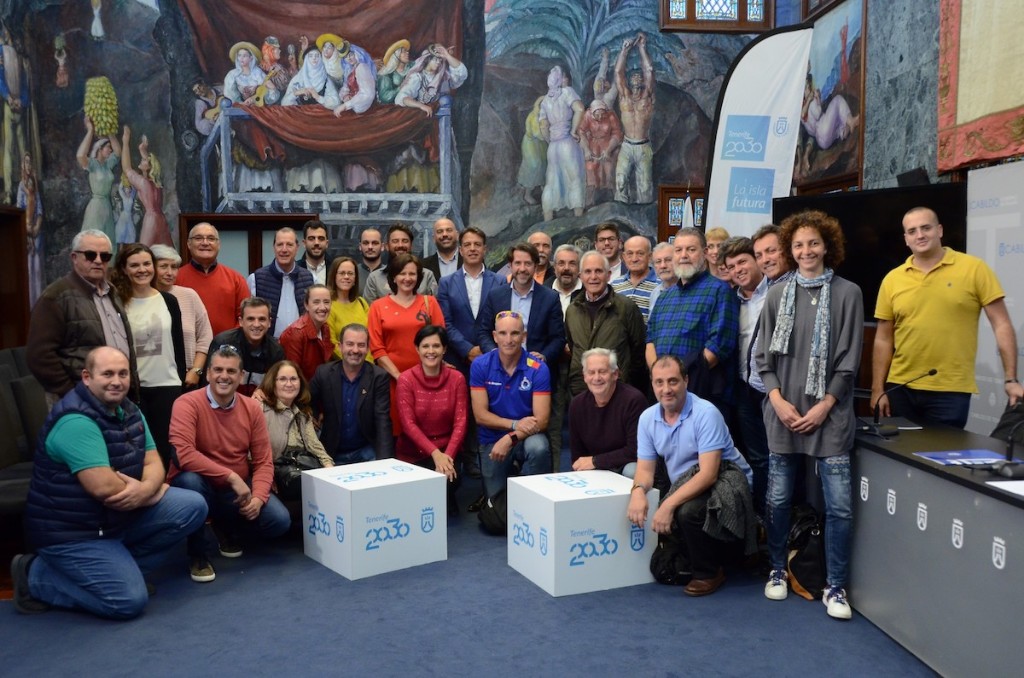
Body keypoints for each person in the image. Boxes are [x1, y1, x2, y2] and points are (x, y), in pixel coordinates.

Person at [13, 347, 207, 619]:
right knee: (128, 602)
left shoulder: (129, 409)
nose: (116, 380)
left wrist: (148, 487)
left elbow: (154, 463)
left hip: (114, 520)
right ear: (87, 377)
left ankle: (123, 572)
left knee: (193, 505)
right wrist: (151, 492)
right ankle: (34, 575)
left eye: (122, 373)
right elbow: (103, 487)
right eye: (107, 374)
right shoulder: (75, 421)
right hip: (74, 533)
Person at [757, 209, 863, 619]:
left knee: (839, 507)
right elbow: (763, 360)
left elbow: (849, 363)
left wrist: (823, 407)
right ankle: (777, 570)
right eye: (798, 244)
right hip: (782, 415)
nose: (806, 251)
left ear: (828, 246)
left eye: (813, 243)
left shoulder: (848, 293)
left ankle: (835, 586)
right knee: (778, 499)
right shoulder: (776, 295)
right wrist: (779, 401)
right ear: (790, 249)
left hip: (830, 418)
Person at [873, 206, 1023, 428]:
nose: (920, 235)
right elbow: (883, 339)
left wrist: (1011, 379)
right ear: (906, 239)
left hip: (951, 391)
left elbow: (1001, 324)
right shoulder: (892, 279)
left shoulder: (974, 269)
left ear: (940, 230)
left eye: (926, 228)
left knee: (940, 461)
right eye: (912, 231)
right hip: (900, 388)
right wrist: (878, 389)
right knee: (901, 460)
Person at [628, 355, 755, 597]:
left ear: (686, 380)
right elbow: (644, 471)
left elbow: (708, 474)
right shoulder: (647, 418)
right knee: (661, 504)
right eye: (659, 382)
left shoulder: (706, 413)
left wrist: (667, 505)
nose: (666, 389)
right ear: (652, 384)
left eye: (673, 381)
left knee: (686, 512)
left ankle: (709, 573)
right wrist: (637, 492)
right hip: (686, 482)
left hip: (727, 482)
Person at [168, 345, 292, 583]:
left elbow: (264, 460)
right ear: (208, 374)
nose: (224, 376)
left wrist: (258, 498)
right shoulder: (186, 403)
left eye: (231, 371)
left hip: (233, 492)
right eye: (218, 370)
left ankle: (225, 525)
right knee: (189, 481)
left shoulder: (251, 408)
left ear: (241, 375)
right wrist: (232, 477)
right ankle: (198, 553)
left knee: (279, 521)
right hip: (199, 483)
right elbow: (183, 455)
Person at [27, 229, 137, 407]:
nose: (98, 261)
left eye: (105, 256)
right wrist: (72, 392)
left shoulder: (112, 292)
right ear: (74, 257)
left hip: (116, 394)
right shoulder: (56, 296)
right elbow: (39, 356)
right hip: (77, 400)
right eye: (90, 255)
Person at [110, 243, 185, 469]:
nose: (142, 269)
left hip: (168, 385)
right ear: (124, 269)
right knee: (135, 450)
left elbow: (178, 345)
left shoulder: (168, 300)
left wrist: (182, 381)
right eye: (134, 265)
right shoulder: (117, 302)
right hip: (133, 389)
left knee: (164, 451)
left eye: (146, 263)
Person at [646, 227, 738, 412]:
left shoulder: (720, 290)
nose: (684, 255)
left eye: (691, 249)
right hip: (663, 394)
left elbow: (719, 345)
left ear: (704, 253)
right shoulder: (665, 296)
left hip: (702, 392)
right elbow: (650, 341)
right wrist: (662, 379)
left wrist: (679, 380)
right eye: (678, 250)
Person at [437, 227, 498, 479]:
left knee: (487, 409)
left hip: (490, 358)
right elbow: (445, 323)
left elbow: (498, 321)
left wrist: (483, 350)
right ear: (460, 250)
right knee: (459, 411)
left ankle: (485, 459)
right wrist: (466, 349)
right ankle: (462, 458)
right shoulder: (446, 283)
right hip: (457, 359)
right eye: (468, 245)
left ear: (485, 249)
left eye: (477, 244)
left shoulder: (499, 281)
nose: (472, 249)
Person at [471, 311, 552, 498]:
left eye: (515, 333)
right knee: (497, 510)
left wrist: (511, 437)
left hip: (525, 437)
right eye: (503, 333)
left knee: (538, 446)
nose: (509, 339)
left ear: (524, 337)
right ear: (494, 336)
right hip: (492, 440)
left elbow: (541, 421)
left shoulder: (538, 368)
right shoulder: (480, 365)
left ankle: (538, 499)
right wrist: (514, 424)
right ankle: (510, 473)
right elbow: (480, 416)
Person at [368, 253, 446, 435]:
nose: (407, 278)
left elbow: (441, 339)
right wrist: (400, 377)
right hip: (392, 382)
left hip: (428, 380)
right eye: (402, 273)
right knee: (397, 431)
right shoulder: (378, 307)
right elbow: (377, 348)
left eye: (412, 274)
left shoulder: (430, 303)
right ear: (394, 276)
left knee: (427, 430)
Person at [720, 236, 769, 513]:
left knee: (778, 457)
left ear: (756, 260)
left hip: (774, 389)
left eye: (742, 261)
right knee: (754, 456)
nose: (738, 269)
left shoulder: (776, 292)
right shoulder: (731, 300)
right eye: (731, 266)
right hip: (742, 387)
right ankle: (758, 515)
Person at [396, 326, 467, 511]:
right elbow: (408, 424)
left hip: (447, 451)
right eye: (425, 346)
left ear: (444, 349)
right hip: (413, 454)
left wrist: (447, 458)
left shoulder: (457, 378)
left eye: (436, 346)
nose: (431, 351)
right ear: (417, 349)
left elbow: (461, 422)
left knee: (449, 482)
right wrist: (436, 455)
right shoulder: (405, 380)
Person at [565, 250, 647, 396]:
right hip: (580, 391)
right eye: (588, 272)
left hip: (617, 392)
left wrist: (626, 381)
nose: (593, 277)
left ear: (608, 275)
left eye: (598, 271)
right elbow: (573, 347)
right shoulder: (572, 310)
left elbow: (638, 352)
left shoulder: (626, 307)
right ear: (580, 276)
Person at [309, 324, 394, 463]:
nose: (355, 350)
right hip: (332, 453)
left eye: (361, 345)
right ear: (340, 346)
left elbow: (382, 420)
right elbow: (304, 399)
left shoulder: (379, 376)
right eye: (350, 344)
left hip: (366, 451)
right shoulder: (323, 373)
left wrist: (385, 462)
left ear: (367, 349)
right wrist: (312, 412)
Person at [477, 243, 565, 367]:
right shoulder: (495, 296)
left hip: (535, 369)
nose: (522, 269)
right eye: (518, 263)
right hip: (500, 367)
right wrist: (493, 353)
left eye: (528, 263)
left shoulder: (550, 298)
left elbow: (558, 338)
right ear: (510, 266)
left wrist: (544, 356)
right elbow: (484, 332)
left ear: (535, 266)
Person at [569, 349, 647, 477]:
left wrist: (595, 461)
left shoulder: (633, 400)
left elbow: (634, 451)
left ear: (615, 374)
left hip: (624, 465)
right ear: (584, 377)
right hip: (594, 468)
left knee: (633, 470)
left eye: (602, 372)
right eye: (591, 372)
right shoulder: (577, 404)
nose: (596, 378)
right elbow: (577, 456)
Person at [259, 361, 334, 487]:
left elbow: (315, 446)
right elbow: (251, 454)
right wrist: (266, 478)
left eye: (293, 379)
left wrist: (330, 469)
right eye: (282, 379)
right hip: (270, 480)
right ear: (272, 383)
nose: (289, 384)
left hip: (299, 476)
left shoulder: (303, 413)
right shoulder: (261, 410)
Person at [151, 245, 212, 390]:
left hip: (188, 377)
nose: (170, 272)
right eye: (164, 266)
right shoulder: (143, 299)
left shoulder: (189, 295)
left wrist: (196, 371)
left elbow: (205, 336)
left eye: (174, 267)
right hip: (155, 378)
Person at [175, 222, 251, 336]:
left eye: (211, 238)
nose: (205, 243)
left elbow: (246, 316)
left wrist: (229, 343)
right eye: (198, 238)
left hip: (227, 349)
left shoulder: (236, 279)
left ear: (218, 244)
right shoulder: (176, 278)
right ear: (189, 244)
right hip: (188, 348)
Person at [208, 297, 285, 397]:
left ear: (269, 322)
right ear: (241, 321)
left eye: (262, 319)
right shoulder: (222, 342)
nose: (256, 324)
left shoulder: (276, 351)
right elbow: (210, 382)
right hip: (223, 401)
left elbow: (277, 389)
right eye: (250, 319)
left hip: (258, 406)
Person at [248, 227, 315, 338]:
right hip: (268, 347)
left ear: (297, 248)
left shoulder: (310, 278)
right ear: (274, 247)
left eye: (289, 245)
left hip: (301, 346)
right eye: (280, 244)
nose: (284, 249)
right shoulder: (256, 279)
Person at [539, 65, 585, 221]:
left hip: (553, 146)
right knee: (574, 177)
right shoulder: (567, 92)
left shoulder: (545, 100)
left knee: (551, 181)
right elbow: (580, 108)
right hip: (567, 142)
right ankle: (578, 216)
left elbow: (543, 125)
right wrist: (573, 130)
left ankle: (547, 218)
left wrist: (549, 140)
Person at [614, 34, 655, 205]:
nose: (637, 78)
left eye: (640, 77)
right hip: (627, 145)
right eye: (633, 77)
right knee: (621, 181)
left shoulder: (648, 98)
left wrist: (642, 48)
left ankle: (643, 219)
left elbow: (649, 71)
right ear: (629, 81)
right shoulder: (624, 98)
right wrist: (624, 51)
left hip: (643, 146)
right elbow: (618, 72)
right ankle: (619, 213)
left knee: (644, 187)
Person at [120, 126, 172, 247]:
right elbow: (148, 165)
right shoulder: (156, 185)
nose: (142, 160)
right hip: (161, 220)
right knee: (168, 254)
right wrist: (143, 149)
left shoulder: (144, 183)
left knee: (144, 253)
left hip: (151, 221)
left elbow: (126, 168)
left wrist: (125, 142)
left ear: (149, 167)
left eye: (144, 160)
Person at [75, 114, 121, 244]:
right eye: (108, 148)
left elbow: (118, 152)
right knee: (95, 240)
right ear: (100, 149)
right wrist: (90, 131)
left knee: (108, 241)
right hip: (96, 207)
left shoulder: (107, 165)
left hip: (107, 206)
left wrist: (110, 132)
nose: (110, 150)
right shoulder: (93, 164)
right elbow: (80, 155)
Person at [363, 223, 438, 302]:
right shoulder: (375, 278)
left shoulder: (427, 276)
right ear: (387, 246)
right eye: (395, 241)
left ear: (411, 245)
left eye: (405, 241)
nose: (400, 245)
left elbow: (434, 308)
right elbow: (369, 312)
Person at [279, 284, 334, 381]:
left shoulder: (325, 328)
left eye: (326, 302)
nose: (322, 307)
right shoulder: (295, 333)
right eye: (316, 302)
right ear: (306, 305)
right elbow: (292, 377)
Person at [395, 43, 468, 116]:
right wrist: (421, 106)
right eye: (435, 59)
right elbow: (402, 97)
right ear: (427, 60)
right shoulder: (417, 77)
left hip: (439, 109)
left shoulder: (442, 75)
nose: (438, 62)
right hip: (421, 112)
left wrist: (447, 56)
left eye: (440, 60)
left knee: (445, 99)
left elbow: (461, 74)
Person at [578, 98, 623, 206]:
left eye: (602, 114)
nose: (600, 117)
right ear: (592, 111)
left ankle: (615, 198)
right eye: (597, 115)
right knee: (590, 168)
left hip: (608, 144)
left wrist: (608, 150)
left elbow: (617, 133)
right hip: (593, 145)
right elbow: (581, 131)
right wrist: (586, 149)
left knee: (610, 169)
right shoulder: (587, 115)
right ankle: (589, 199)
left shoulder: (611, 115)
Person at [326, 256, 371, 360]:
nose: (346, 277)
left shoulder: (362, 303)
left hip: (367, 364)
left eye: (350, 273)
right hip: (343, 366)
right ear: (334, 276)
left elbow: (371, 337)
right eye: (342, 273)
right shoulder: (328, 306)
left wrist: (367, 363)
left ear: (355, 278)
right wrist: (355, 361)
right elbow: (331, 343)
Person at [611, 235, 659, 324]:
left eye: (640, 253)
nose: (634, 259)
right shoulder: (614, 286)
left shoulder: (661, 285)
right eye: (630, 254)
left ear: (650, 256)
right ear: (624, 257)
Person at [332, 40, 377, 115]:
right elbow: (345, 87)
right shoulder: (351, 69)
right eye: (345, 57)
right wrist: (345, 96)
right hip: (353, 105)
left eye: (351, 54)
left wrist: (346, 105)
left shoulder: (362, 67)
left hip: (362, 106)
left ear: (357, 53)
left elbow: (367, 94)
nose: (349, 58)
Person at [517, 95, 547, 206]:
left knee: (545, 165)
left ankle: (545, 192)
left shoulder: (546, 115)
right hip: (531, 144)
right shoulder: (534, 116)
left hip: (542, 144)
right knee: (533, 166)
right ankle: (527, 194)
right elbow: (538, 134)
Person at [224, 41, 266, 106]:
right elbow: (230, 93)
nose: (241, 58)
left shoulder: (258, 73)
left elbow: (265, 91)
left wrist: (254, 100)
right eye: (239, 55)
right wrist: (241, 103)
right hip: (239, 106)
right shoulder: (232, 74)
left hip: (257, 106)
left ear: (251, 58)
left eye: (245, 56)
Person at [422, 217, 462, 281]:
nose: (444, 234)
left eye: (449, 230)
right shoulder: (424, 265)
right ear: (434, 238)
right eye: (439, 231)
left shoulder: (470, 262)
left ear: (457, 235)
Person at [296, 219, 333, 285]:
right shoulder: (295, 269)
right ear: (304, 243)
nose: (316, 243)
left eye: (321, 239)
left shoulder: (335, 269)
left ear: (327, 243)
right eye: (311, 239)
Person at [376, 38, 412, 105]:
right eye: (403, 51)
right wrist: (400, 88)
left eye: (407, 51)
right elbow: (384, 97)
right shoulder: (386, 75)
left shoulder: (412, 66)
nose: (407, 53)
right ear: (396, 55)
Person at [551, 243, 583, 314]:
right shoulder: (543, 293)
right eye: (561, 263)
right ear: (554, 267)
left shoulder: (588, 293)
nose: (566, 268)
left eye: (572, 263)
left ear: (579, 268)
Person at [647, 241, 678, 313]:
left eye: (668, 260)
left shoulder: (688, 291)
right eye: (658, 261)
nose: (663, 266)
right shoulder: (655, 293)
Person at [356, 227, 385, 297]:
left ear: (382, 247)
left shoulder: (390, 273)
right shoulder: (353, 272)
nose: (370, 247)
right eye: (366, 243)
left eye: (375, 243)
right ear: (360, 246)